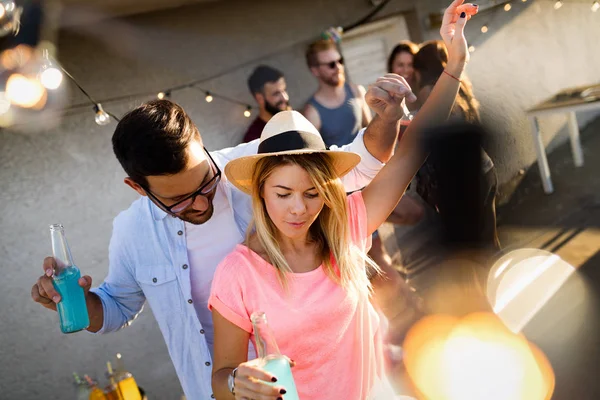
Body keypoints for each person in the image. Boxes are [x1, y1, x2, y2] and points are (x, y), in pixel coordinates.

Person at [30, 94, 400, 399]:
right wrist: (78, 301)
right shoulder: (131, 231)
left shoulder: (255, 166)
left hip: (318, 382)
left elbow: (356, 166)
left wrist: (389, 114)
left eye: (205, 184)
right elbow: (115, 309)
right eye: (180, 201)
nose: (202, 203)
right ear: (138, 188)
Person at [209, 2, 477, 398]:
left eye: (312, 192)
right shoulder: (238, 273)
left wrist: (455, 62)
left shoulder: (346, 225)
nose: (299, 208)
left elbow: (413, 148)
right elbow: (221, 378)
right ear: (260, 191)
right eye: (283, 194)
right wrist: (235, 382)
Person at [412, 40, 500, 253]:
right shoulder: (459, 84)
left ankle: (486, 284)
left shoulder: (427, 90)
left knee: (471, 248)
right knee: (490, 239)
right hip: (485, 167)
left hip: (461, 177)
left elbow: (431, 132)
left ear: (420, 69)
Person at [302, 38, 372, 148]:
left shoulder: (357, 91)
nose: (338, 67)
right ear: (315, 70)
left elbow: (371, 132)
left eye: (340, 61)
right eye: (331, 64)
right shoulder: (312, 112)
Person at [242, 65, 291, 143]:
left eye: (284, 90)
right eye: (276, 94)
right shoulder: (254, 139)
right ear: (259, 98)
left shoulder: (295, 120)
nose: (285, 98)